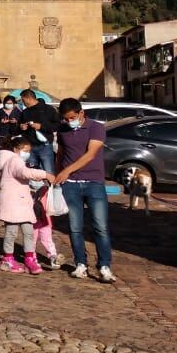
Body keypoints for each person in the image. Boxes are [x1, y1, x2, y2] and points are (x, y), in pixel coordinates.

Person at [54, 98, 115, 282]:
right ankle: (81, 263)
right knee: (74, 227)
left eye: (71, 117)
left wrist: (67, 170)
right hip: (70, 184)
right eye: (65, 118)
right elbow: (61, 154)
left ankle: (104, 265)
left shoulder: (96, 127)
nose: (68, 121)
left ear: (81, 113)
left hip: (94, 181)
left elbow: (91, 154)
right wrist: (58, 174)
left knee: (100, 226)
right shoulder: (63, 129)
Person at [0, 136, 57, 273]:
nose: (27, 153)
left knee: (28, 231)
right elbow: (24, 173)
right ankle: (7, 259)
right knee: (11, 232)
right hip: (13, 202)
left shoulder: (14, 161)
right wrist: (45, 174)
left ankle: (29, 258)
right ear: (16, 149)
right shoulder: (14, 160)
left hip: (21, 202)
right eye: (25, 150)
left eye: (29, 151)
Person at [18, 90, 60, 175]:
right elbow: (18, 127)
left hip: (45, 146)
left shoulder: (48, 109)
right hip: (29, 146)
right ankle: (35, 188)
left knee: (48, 171)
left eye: (23, 100)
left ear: (29, 98)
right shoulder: (25, 112)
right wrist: (21, 127)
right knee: (32, 172)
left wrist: (41, 126)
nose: (22, 102)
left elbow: (57, 126)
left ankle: (51, 187)